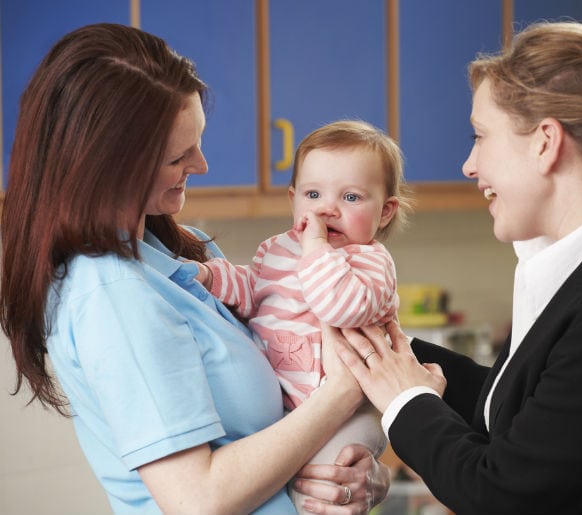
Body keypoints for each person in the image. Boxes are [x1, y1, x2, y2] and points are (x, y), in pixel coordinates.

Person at [331, 20, 582, 515]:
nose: (469, 165)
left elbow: (503, 493)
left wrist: (405, 401)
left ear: (545, 142)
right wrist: (395, 350)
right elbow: (526, 415)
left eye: (480, 136)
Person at [0, 23, 390, 515]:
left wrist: (353, 474)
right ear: (108, 166)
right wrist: (343, 392)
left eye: (197, 142)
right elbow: (195, 501)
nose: (202, 164)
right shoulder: (111, 293)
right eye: (178, 156)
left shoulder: (187, 254)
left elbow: (287, 405)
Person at [192, 119, 411, 514]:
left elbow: (341, 306)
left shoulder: (372, 263)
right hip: (289, 410)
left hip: (350, 415)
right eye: (313, 194)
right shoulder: (275, 249)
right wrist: (212, 275)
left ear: (385, 212)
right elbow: (252, 292)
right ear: (294, 200)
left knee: (324, 485)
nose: (327, 209)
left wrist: (314, 248)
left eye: (351, 198)